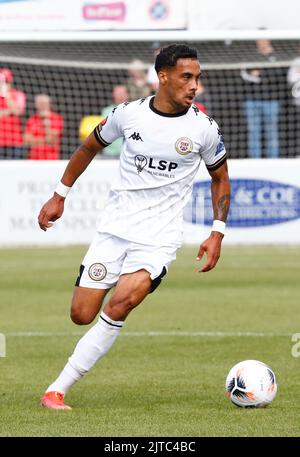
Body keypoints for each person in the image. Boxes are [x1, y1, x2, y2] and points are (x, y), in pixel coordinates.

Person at [38, 44, 230, 410]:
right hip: (115, 230)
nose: (194, 86)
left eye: (198, 78)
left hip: (159, 240)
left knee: (121, 303)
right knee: (81, 315)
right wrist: (59, 194)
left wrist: (217, 230)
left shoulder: (203, 129)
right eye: (187, 77)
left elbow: (220, 178)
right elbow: (88, 148)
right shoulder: (127, 115)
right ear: (163, 76)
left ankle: (56, 389)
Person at [240, 39, 281, 158]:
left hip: (271, 101)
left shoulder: (277, 56)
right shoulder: (250, 56)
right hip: (252, 101)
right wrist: (259, 75)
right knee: (253, 133)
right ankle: (254, 160)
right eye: (259, 39)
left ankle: (274, 161)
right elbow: (244, 75)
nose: (261, 42)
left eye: (264, 39)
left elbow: (278, 76)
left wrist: (260, 74)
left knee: (272, 133)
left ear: (269, 40)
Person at [24, 94, 64, 160]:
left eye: (44, 103)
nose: (42, 106)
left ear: (49, 104)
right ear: (36, 105)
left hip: (51, 158)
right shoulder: (31, 119)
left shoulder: (57, 118)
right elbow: (26, 141)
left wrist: (47, 125)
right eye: (40, 103)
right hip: (34, 158)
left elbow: (51, 140)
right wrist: (44, 140)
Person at [0, 67, 26, 159]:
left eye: (6, 81)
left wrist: (7, 96)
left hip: (14, 141)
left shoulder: (18, 95)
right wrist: (9, 111)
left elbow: (17, 111)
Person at [100, 85, 129, 157]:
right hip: (109, 153)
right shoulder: (106, 111)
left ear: (127, 95)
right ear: (113, 95)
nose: (120, 96)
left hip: (126, 153)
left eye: (122, 94)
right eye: (118, 94)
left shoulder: (133, 110)